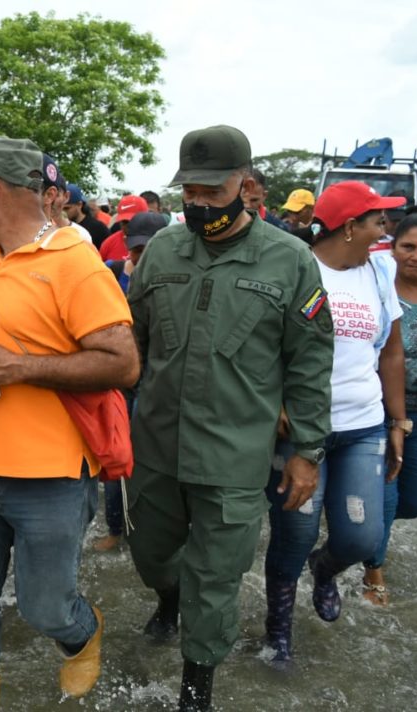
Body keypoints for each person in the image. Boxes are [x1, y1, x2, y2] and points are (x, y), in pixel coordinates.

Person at [0, 136, 139, 711]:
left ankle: (82, 632)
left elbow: (124, 362)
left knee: (43, 607)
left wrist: (21, 368)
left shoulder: (74, 262)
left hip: (50, 476)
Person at [127, 125, 334, 711]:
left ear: (246, 187)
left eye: (211, 193)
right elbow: (132, 343)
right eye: (189, 192)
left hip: (234, 456)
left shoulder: (289, 260)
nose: (197, 204)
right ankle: (167, 599)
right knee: (152, 558)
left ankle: (197, 693)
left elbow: (311, 361)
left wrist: (307, 453)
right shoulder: (162, 251)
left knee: (215, 582)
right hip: (158, 447)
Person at [263, 181, 406, 665]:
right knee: (294, 534)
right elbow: (262, 344)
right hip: (302, 429)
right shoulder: (295, 269)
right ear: (350, 226)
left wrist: (398, 420)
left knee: (361, 538)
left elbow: (390, 350)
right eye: (376, 221)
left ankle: (323, 572)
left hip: (362, 425)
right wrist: (276, 401)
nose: (383, 230)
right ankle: (278, 629)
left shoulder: (379, 272)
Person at [94, 211, 168, 552]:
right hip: (121, 382)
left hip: (156, 379)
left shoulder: (173, 280)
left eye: (149, 248)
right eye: (137, 249)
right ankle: (115, 529)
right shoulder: (109, 273)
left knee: (153, 458)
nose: (142, 256)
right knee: (116, 455)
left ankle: (149, 528)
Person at [361, 212, 417, 604]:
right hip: (381, 410)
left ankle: (362, 526)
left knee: (415, 500)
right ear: (393, 248)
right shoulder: (377, 286)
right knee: (386, 492)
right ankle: (373, 568)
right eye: (409, 247)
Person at [98, 194, 148, 261]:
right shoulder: (108, 244)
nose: (129, 226)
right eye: (125, 222)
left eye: (134, 221)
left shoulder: (155, 243)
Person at [66, 184, 110, 248]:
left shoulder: (98, 228)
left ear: (79, 205)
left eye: (67, 208)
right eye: (59, 208)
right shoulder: (59, 226)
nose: (63, 212)